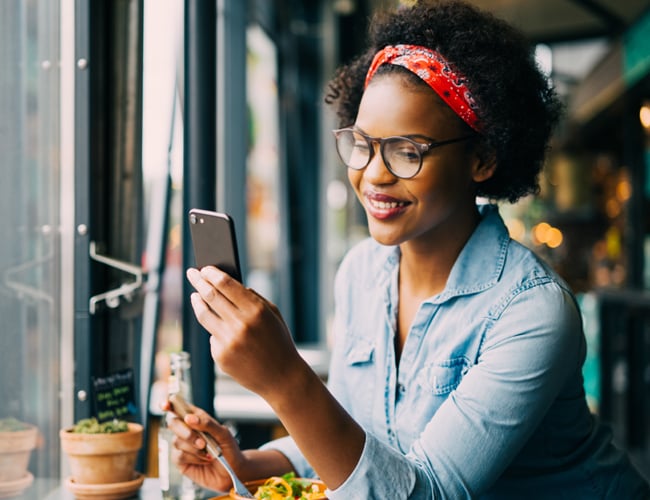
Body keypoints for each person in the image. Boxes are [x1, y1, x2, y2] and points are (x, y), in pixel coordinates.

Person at [165, 1, 650, 498]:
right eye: (363, 143)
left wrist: (286, 379)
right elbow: (359, 443)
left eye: (406, 151)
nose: (374, 174)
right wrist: (243, 463)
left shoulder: (531, 312)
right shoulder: (361, 272)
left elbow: (425, 492)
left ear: (481, 159)